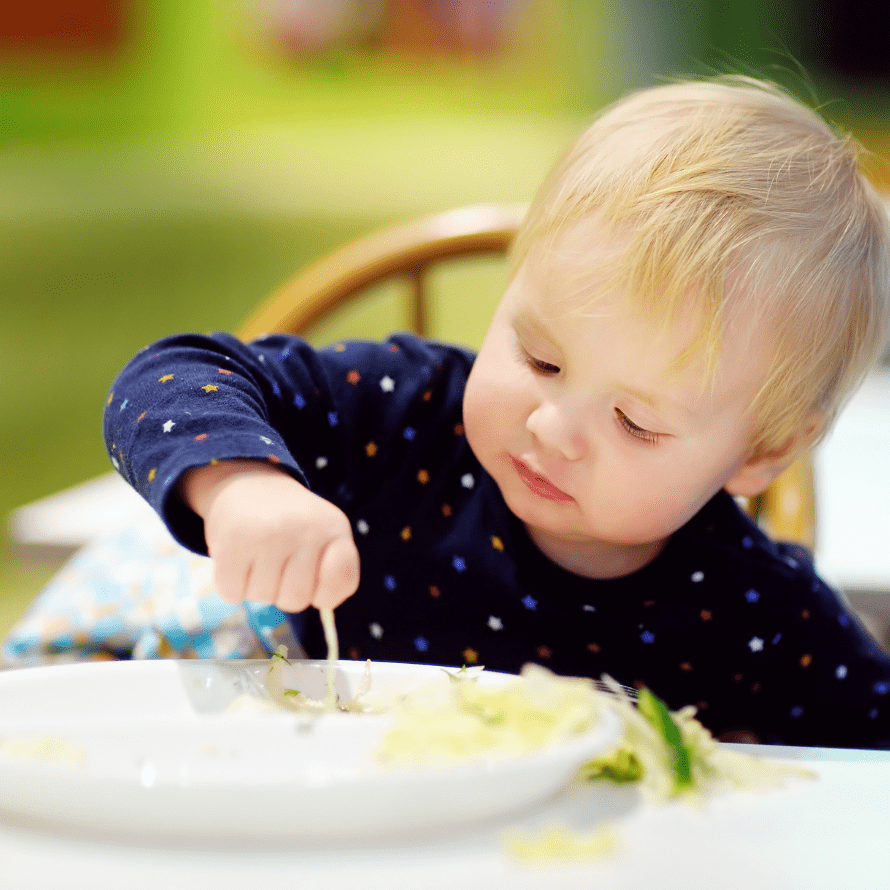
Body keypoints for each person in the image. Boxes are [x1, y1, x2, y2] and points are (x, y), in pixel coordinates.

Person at [102, 76, 890, 748]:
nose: (551, 426)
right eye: (540, 359)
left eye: (636, 423)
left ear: (761, 452)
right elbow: (174, 376)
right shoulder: (404, 418)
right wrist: (244, 485)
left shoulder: (760, 619)